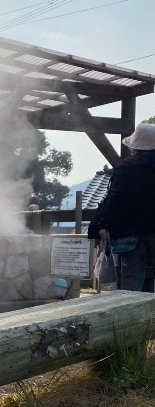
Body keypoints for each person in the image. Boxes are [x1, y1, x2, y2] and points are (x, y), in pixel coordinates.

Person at [88, 122, 155, 291]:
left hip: (132, 234)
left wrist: (103, 223)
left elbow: (115, 198)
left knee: (133, 274)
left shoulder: (126, 169)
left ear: (135, 147)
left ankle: (132, 313)